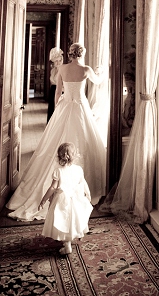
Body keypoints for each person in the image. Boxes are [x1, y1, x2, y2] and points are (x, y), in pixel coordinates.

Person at [7, 42, 106, 221]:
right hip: (81, 108)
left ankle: (56, 182)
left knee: (54, 142)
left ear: (69, 54)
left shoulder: (63, 68)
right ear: (81, 54)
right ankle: (83, 186)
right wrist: (100, 71)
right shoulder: (86, 69)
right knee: (84, 140)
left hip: (65, 106)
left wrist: (57, 110)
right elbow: (98, 82)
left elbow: (58, 92)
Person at [40, 142, 93, 254]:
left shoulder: (58, 171)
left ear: (59, 157)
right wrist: (88, 194)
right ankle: (71, 237)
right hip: (76, 198)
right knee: (74, 219)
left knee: (64, 220)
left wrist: (44, 199)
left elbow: (53, 187)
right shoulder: (78, 169)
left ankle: (67, 245)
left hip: (62, 199)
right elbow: (83, 183)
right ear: (74, 155)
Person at [47, 47, 64, 123]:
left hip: (60, 91)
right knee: (51, 110)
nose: (57, 63)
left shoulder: (64, 70)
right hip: (52, 90)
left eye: (59, 61)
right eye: (55, 61)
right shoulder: (53, 70)